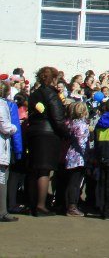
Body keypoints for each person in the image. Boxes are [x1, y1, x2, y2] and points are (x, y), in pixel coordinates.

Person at [25, 66, 70, 216]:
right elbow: (57, 119)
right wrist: (67, 134)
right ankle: (41, 205)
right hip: (48, 134)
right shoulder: (52, 95)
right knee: (44, 170)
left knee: (33, 170)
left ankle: (32, 204)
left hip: (34, 132)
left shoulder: (34, 93)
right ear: (54, 78)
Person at [63, 100, 90, 217]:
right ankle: (72, 206)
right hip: (79, 157)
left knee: (70, 182)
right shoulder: (82, 125)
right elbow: (82, 142)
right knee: (75, 182)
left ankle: (68, 204)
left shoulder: (70, 123)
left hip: (70, 155)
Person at [0, 79, 17, 222]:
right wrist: (15, 128)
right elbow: (5, 126)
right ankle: (2, 211)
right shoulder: (2, 104)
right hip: (1, 146)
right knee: (1, 178)